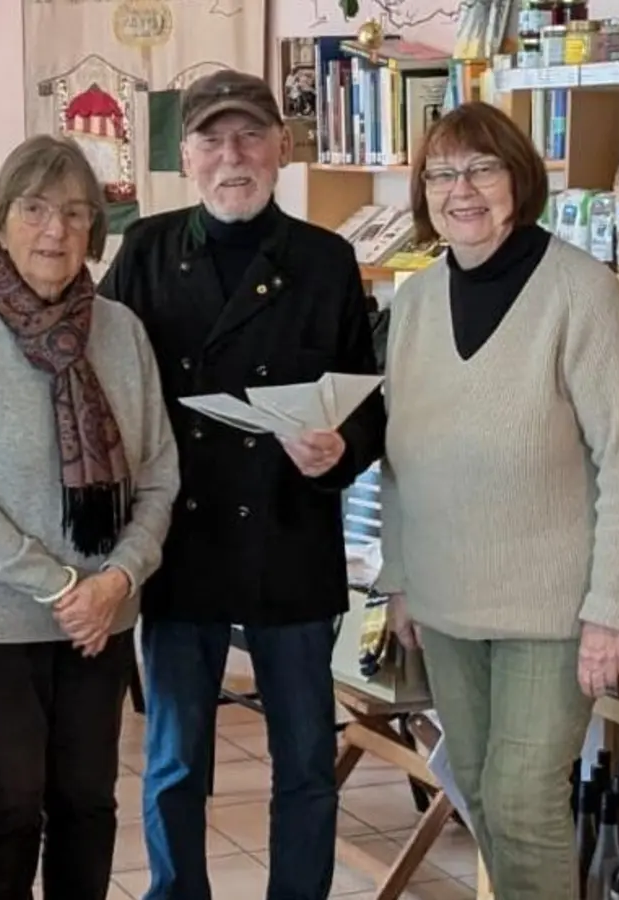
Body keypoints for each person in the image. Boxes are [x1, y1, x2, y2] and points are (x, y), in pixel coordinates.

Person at [97, 68, 386, 900]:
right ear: (185, 156)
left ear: (282, 149)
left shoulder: (328, 260)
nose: (234, 156)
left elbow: (366, 401)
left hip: (290, 539)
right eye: (213, 140)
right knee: (176, 760)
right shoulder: (146, 250)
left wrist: (342, 450)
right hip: (178, 540)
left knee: (304, 762)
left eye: (250, 136)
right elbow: (101, 384)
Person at [374, 101, 619, 900]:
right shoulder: (414, 304)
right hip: (445, 602)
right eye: (440, 173)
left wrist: (613, 611)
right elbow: (400, 456)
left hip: (554, 611)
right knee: (477, 790)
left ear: (520, 179)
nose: (459, 189)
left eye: (480, 168)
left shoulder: (580, 291)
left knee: (524, 801)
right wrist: (401, 577)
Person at [0, 134, 180, 900]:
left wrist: (117, 579)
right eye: (35, 209)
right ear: (0, 221)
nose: (55, 230)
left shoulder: (123, 332)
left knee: (87, 803)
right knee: (7, 805)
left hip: (103, 615)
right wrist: (67, 586)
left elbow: (159, 473)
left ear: (95, 229)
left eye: (74, 212)